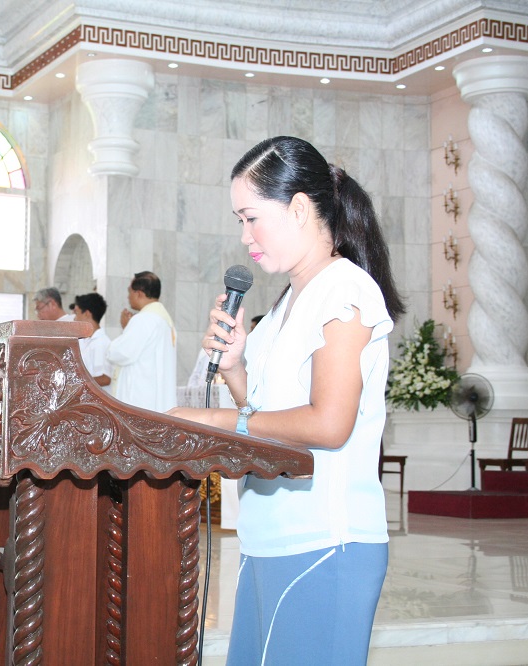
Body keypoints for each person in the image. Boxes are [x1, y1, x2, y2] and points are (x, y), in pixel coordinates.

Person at [169, 136, 405, 665]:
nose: (245, 236)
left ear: (299, 208)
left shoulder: (347, 290)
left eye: (252, 217)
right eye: (239, 220)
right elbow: (269, 412)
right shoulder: (283, 305)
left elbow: (328, 424)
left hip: (326, 541)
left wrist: (209, 419)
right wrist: (233, 370)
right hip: (269, 539)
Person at [106, 271, 177, 412]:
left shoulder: (144, 319)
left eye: (129, 292)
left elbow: (121, 353)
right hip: (155, 397)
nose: (128, 296)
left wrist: (126, 329)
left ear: (139, 293)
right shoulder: (164, 320)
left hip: (140, 399)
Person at [72, 292, 111, 387]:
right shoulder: (82, 340)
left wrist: (75, 384)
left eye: (76, 313)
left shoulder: (100, 342)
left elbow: (104, 379)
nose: (74, 319)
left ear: (87, 314)